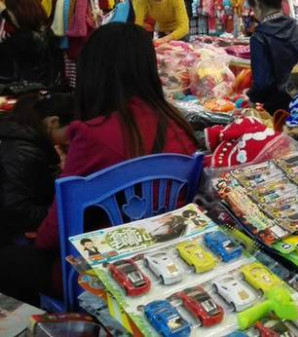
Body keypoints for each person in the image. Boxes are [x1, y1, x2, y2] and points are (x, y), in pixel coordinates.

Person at [0, 23, 198, 305]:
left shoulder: (93, 134)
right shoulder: (180, 127)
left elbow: (52, 234)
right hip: (164, 261)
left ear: (94, 71)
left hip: (96, 274)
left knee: (8, 258)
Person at [0, 92, 75, 247]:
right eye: (71, 130)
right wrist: (57, 214)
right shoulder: (23, 152)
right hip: (13, 236)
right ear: (54, 122)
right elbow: (16, 209)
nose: (72, 138)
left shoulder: (22, 137)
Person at [247, 0, 298, 114]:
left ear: (257, 4)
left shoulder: (260, 37)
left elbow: (262, 84)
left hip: (277, 111)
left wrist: (252, 98)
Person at [0, 0, 62, 86]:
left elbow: (5, 78)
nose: (10, 17)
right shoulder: (49, 35)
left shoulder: (14, 44)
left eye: (10, 13)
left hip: (19, 95)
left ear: (18, 14)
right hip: (46, 93)